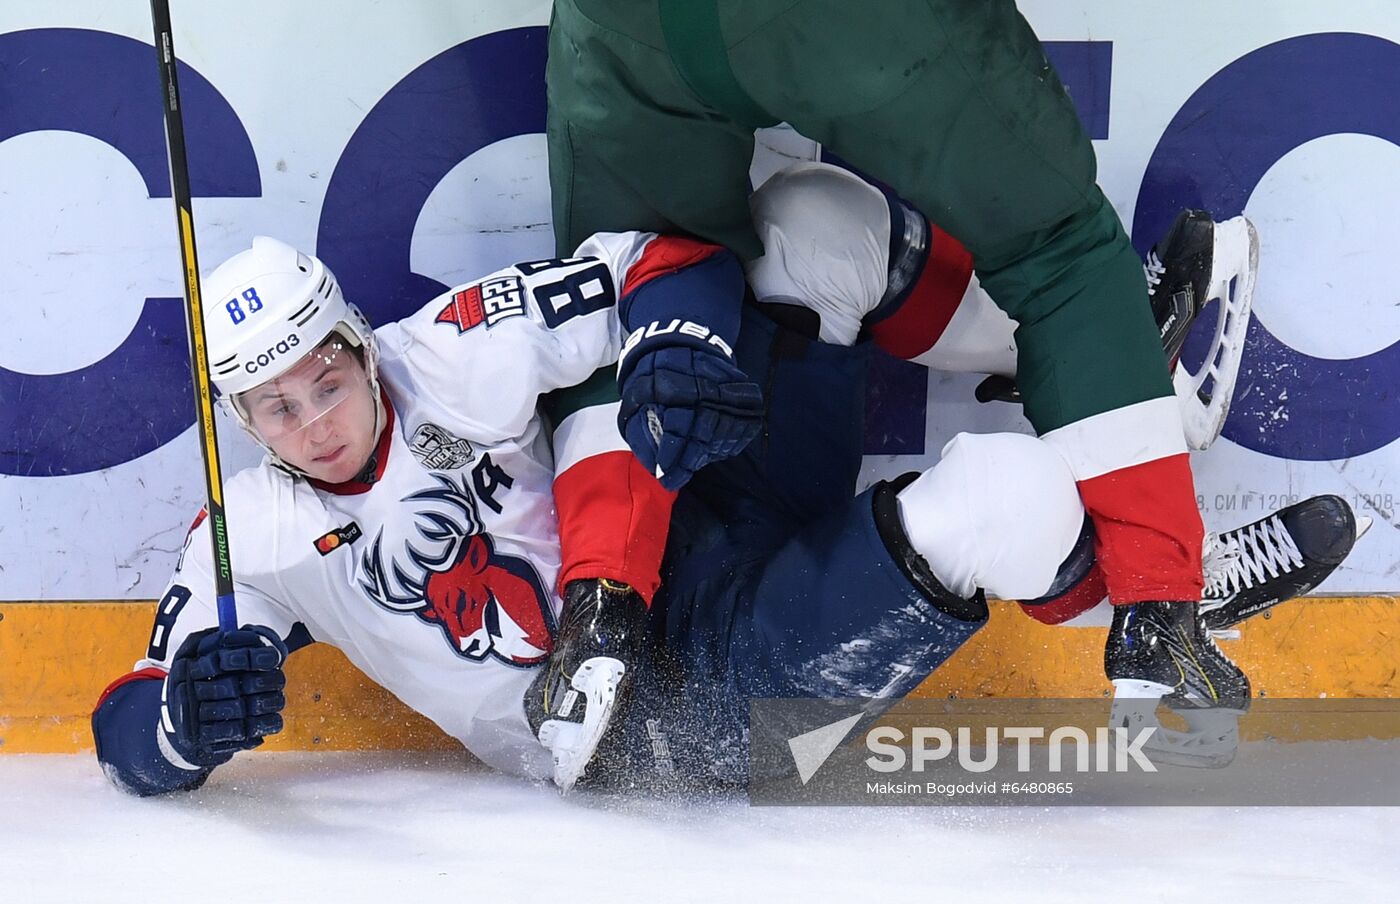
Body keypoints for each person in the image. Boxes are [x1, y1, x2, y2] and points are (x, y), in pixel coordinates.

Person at [91, 173, 1360, 796]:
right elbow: (127, 728)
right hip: (673, 720)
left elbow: (659, 265)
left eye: (324, 378)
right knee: (1000, 498)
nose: (311, 423)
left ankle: (1092, 366)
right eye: (273, 408)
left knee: (806, 219)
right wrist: (175, 731)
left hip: (682, 535)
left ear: (359, 341)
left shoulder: (445, 353)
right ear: (238, 420)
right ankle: (1160, 592)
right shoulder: (248, 529)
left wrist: (680, 348)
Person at [544, 0, 1247, 713]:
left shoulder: (440, 374)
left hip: (623, 20)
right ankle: (1140, 555)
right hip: (735, 670)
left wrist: (604, 593)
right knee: (1055, 263)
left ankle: (1101, 377)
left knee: (656, 274)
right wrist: (1158, 584)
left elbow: (603, 316)